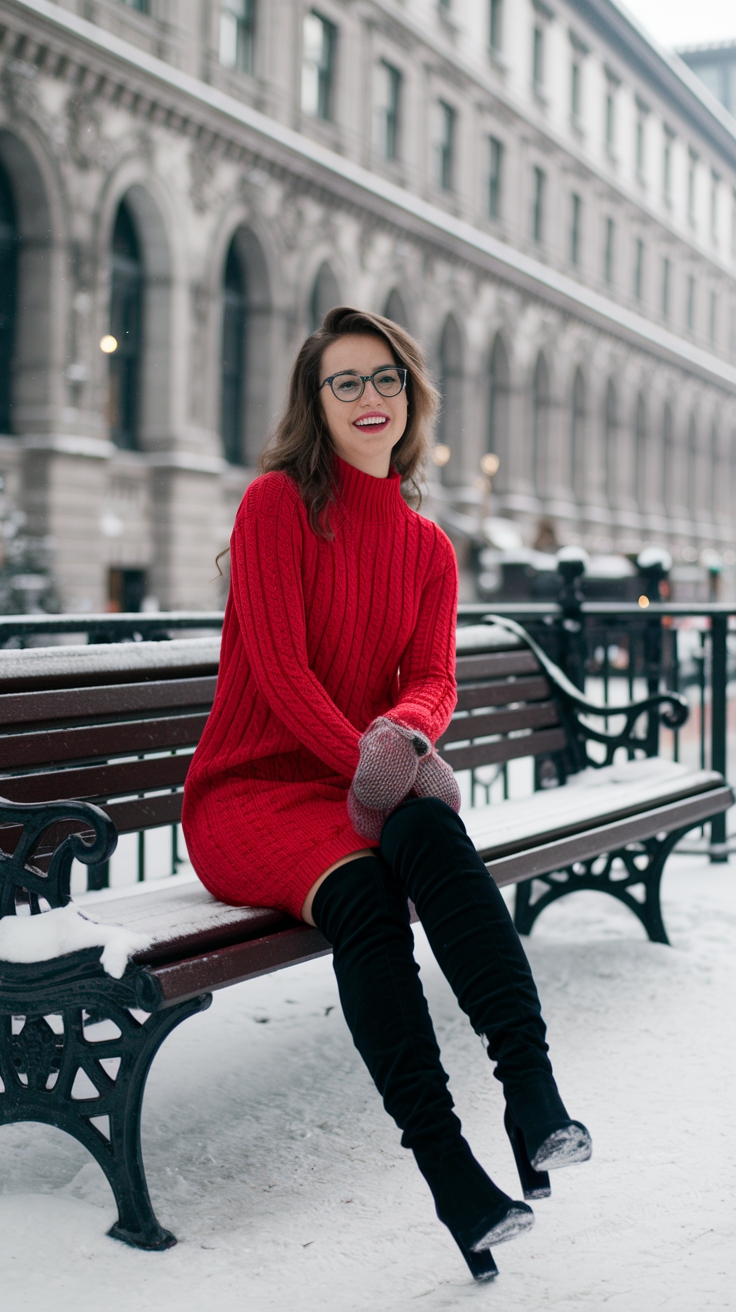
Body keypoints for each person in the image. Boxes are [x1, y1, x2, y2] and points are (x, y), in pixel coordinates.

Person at [182, 306, 591, 1282]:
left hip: (354, 782)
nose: (371, 398)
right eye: (346, 381)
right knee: (366, 897)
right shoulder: (276, 505)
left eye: (386, 379)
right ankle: (452, 1173)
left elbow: (432, 681)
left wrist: (399, 739)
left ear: (411, 396)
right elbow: (279, 675)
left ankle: (530, 1096)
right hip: (249, 792)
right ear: (313, 404)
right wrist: (375, 763)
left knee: (438, 837)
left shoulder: (428, 547)